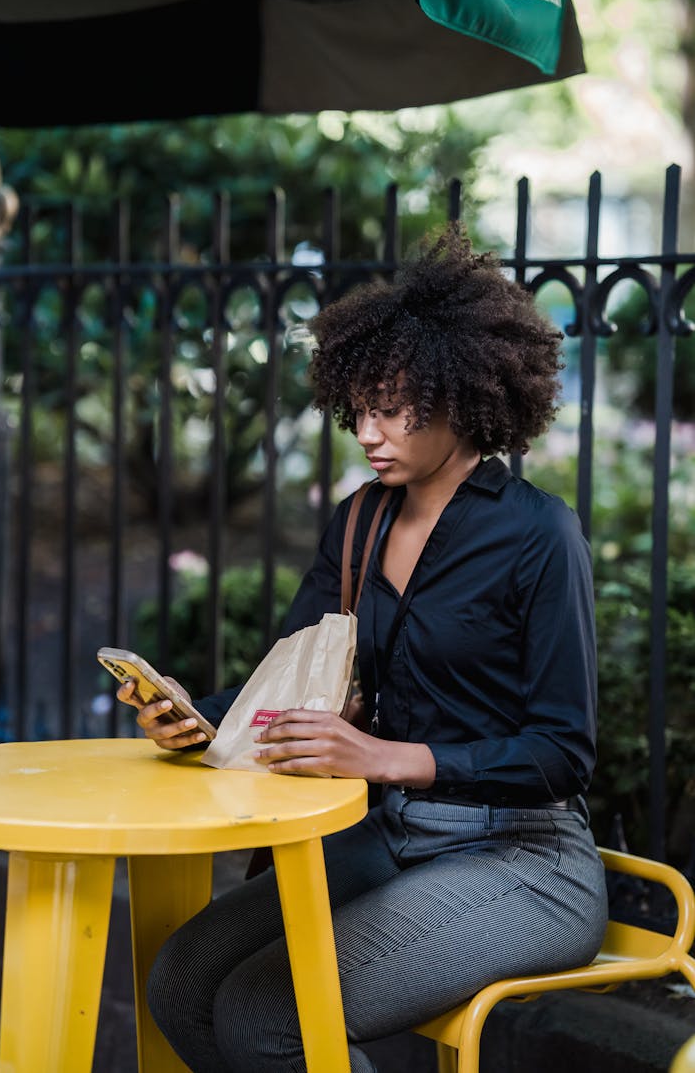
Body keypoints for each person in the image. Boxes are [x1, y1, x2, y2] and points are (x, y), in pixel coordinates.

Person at [116, 224, 608, 1073]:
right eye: (362, 407)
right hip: (391, 834)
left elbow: (563, 752)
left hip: (521, 855)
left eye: (395, 408)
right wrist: (199, 718)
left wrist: (384, 754)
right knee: (181, 980)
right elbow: (289, 672)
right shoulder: (361, 520)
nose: (369, 432)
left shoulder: (538, 534)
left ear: (462, 395)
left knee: (270, 1011)